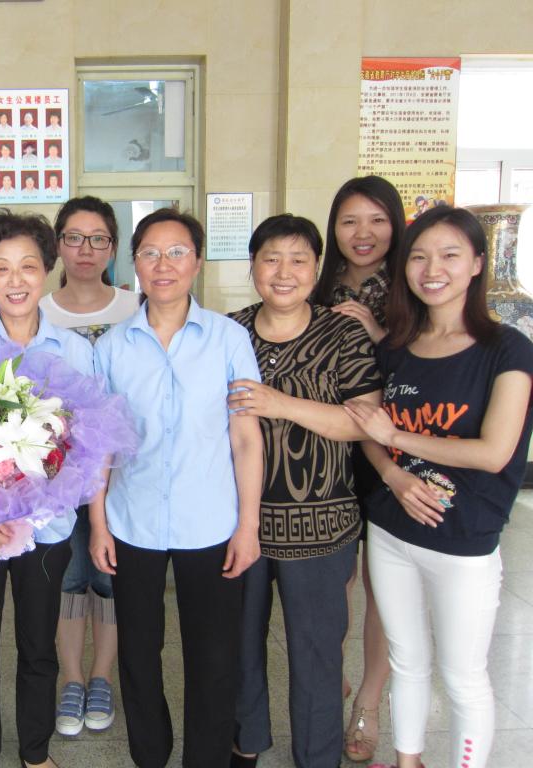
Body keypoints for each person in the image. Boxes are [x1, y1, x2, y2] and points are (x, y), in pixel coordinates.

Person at [346, 205, 533, 768]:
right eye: (420, 257)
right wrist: (393, 472)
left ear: (476, 263)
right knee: (406, 661)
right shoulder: (396, 348)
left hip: (463, 540)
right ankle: (408, 761)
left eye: (450, 255)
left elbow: (494, 452)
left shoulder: (507, 348)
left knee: (463, 676)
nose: (432, 269)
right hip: (391, 529)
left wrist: (398, 436)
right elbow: (367, 431)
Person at [89, 208, 263, 768]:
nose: (163, 265)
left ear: (198, 261)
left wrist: (248, 526)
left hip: (210, 522)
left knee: (213, 657)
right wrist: (98, 524)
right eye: (150, 253)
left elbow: (246, 438)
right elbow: (100, 445)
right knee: (139, 654)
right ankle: (151, 755)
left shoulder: (229, 339)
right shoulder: (111, 347)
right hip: (132, 521)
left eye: (177, 252)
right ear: (134, 264)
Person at [226, 214, 382, 768]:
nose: (283, 272)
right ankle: (245, 743)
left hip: (321, 525)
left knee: (317, 654)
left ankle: (316, 757)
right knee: (237, 645)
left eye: (298, 260)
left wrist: (280, 403)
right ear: (253, 267)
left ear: (317, 269)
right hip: (238, 522)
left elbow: (363, 421)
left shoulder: (343, 333)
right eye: (271, 259)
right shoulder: (230, 331)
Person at [0, 210, 94, 768]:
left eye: (28, 266)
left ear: (47, 270)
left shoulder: (75, 351)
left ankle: (35, 753)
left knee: (38, 647)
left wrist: (40, 503)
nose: (15, 280)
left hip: (46, 529)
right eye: (1, 267)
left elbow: (89, 445)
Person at [312, 174, 406, 762]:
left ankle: (369, 699)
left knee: (382, 584)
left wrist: (378, 334)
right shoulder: (319, 285)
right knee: (334, 580)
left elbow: (433, 362)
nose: (362, 233)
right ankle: (332, 673)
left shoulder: (411, 287)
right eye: (349, 221)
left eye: (376, 220)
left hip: (394, 450)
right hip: (328, 450)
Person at [38, 197, 140, 738]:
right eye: (74, 238)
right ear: (58, 244)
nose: (86, 249)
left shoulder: (135, 307)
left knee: (109, 576)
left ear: (113, 247)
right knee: (69, 576)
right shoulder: (39, 311)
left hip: (122, 475)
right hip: (56, 478)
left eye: (98, 239)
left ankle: (101, 675)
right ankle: (71, 679)